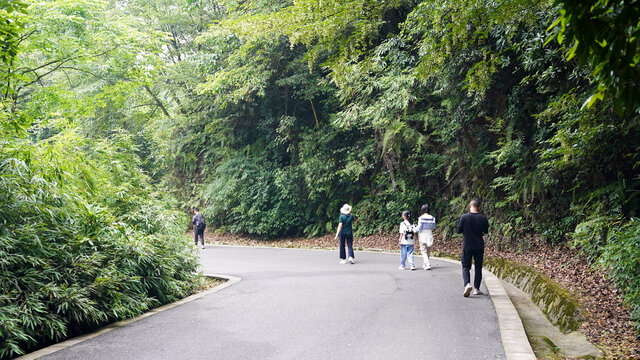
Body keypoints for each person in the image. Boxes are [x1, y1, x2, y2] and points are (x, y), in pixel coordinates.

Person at [457, 198, 489, 297]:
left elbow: (459, 230)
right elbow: (486, 231)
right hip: (479, 245)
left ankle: (467, 284)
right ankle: (476, 289)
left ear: (470, 206)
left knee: (466, 267)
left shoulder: (463, 217)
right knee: (478, 268)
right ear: (479, 207)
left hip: (467, 245)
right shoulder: (483, 218)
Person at [416, 204, 436, 270]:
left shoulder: (421, 218)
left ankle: (427, 264)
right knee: (428, 250)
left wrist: (414, 230)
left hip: (422, 234)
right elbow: (434, 227)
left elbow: (419, 227)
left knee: (423, 250)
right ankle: (425, 263)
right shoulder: (433, 218)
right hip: (429, 233)